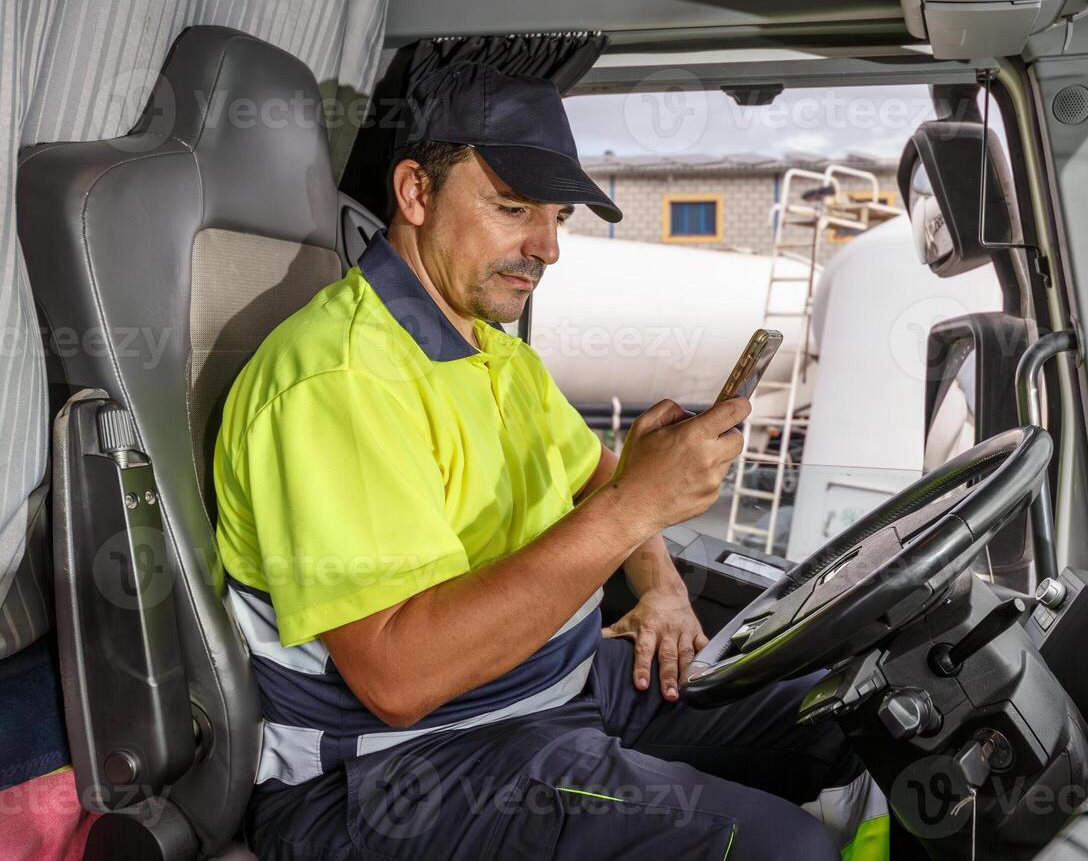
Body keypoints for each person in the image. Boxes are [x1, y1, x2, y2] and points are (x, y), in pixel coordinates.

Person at [213, 63, 886, 859]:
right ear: (416, 194)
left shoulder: (497, 354)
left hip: (550, 687)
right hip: (399, 767)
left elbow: (600, 477)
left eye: (557, 216)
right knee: (780, 852)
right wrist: (638, 508)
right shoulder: (338, 382)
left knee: (855, 714)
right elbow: (398, 682)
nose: (549, 247)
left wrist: (664, 590)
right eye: (513, 208)